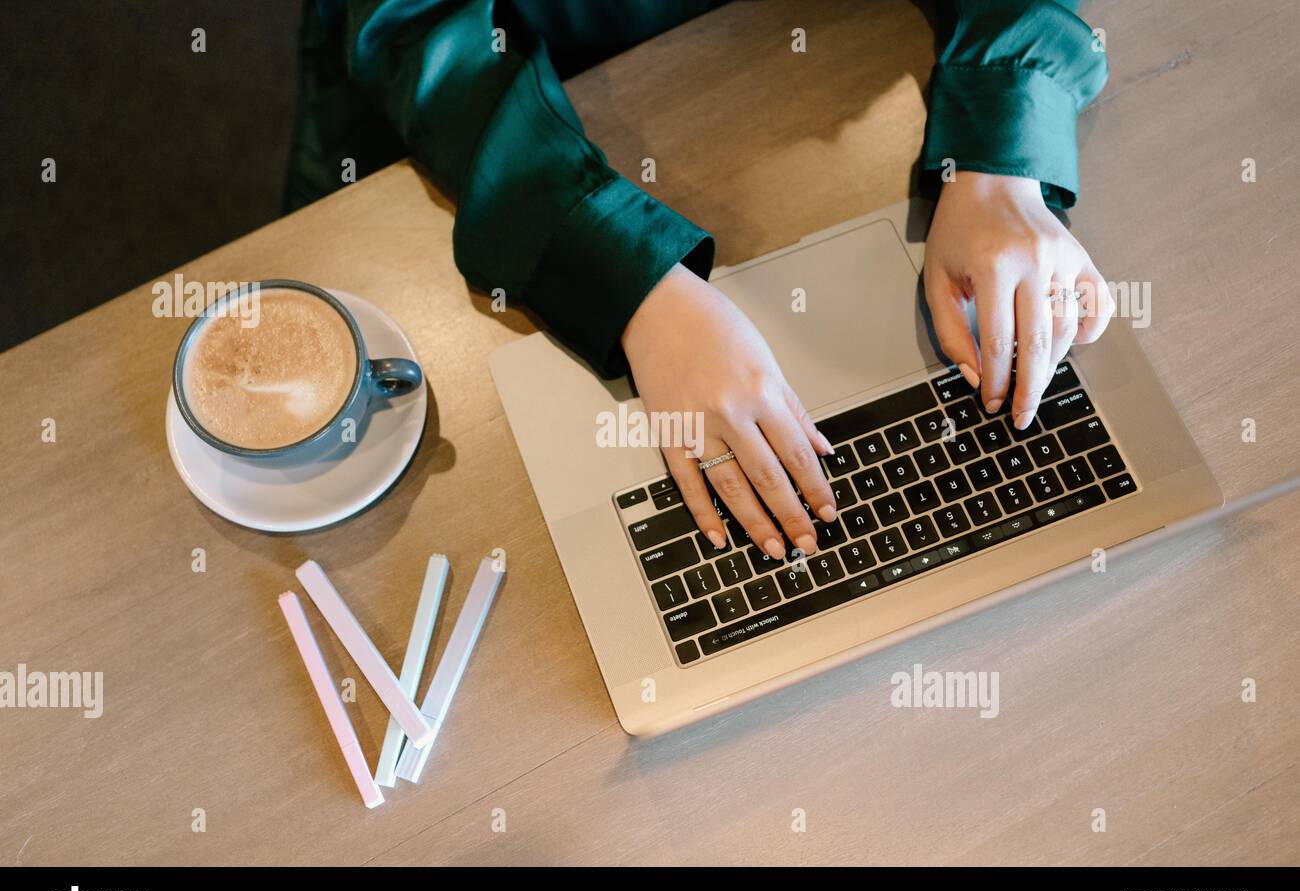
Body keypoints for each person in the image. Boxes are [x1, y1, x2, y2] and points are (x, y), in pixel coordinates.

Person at [285, 0, 1115, 561]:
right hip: (487, 109)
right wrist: (633, 280)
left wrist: (1005, 153)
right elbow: (419, 24)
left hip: (805, 57)